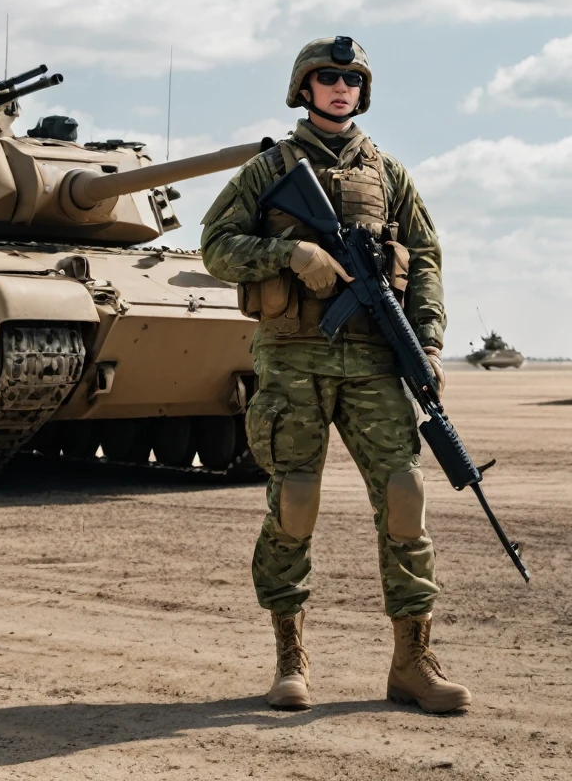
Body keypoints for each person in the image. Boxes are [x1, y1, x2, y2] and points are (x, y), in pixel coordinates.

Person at [200, 36, 470, 715]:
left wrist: (429, 343)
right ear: (305, 87)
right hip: (293, 360)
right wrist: (291, 254)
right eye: (328, 77)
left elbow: (427, 259)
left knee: (406, 498)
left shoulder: (389, 173)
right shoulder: (270, 169)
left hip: (376, 361)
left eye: (352, 78)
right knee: (295, 503)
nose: (341, 86)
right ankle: (290, 658)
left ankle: (412, 662)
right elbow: (215, 246)